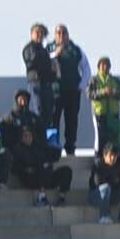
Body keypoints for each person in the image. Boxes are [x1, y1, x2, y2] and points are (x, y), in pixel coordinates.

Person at [50, 24, 88, 153]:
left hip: (72, 92)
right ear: (55, 35)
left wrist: (80, 86)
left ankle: (70, 146)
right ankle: (53, 146)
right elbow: (44, 62)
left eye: (64, 33)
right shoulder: (49, 48)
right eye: (58, 33)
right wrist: (56, 53)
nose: (61, 35)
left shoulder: (76, 49)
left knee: (71, 121)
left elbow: (86, 68)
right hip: (55, 92)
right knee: (53, 120)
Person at [22, 23, 60, 138]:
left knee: (48, 114)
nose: (39, 35)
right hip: (36, 84)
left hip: (46, 85)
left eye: (41, 33)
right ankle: (38, 138)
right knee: (38, 111)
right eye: (37, 32)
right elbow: (32, 64)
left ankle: (46, 140)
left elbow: (50, 71)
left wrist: (53, 70)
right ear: (31, 34)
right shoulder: (29, 48)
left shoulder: (44, 50)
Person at [90, 144, 120, 225]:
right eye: (111, 155)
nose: (113, 158)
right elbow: (98, 183)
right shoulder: (98, 165)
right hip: (96, 196)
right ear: (105, 155)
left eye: (115, 156)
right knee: (105, 188)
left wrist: (114, 180)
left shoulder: (119, 165)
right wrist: (114, 179)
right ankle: (104, 216)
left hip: (113, 194)